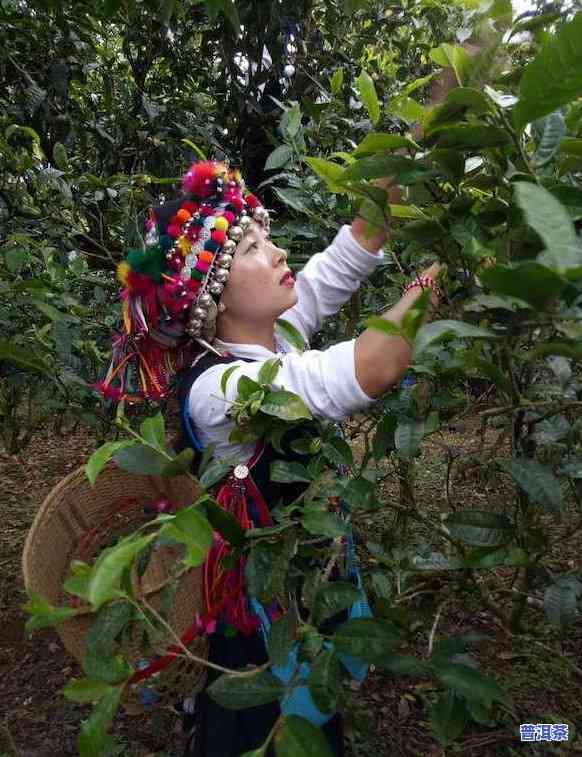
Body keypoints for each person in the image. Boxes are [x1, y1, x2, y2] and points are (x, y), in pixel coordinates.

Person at [100, 57, 468, 755]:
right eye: (252, 247)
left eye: (268, 236)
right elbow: (375, 363)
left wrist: (438, 114)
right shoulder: (222, 390)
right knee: (260, 727)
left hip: (300, 585)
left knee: (311, 711)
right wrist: (454, 263)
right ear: (212, 295)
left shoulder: (275, 336)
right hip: (257, 612)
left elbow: (361, 236)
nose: (276, 252)